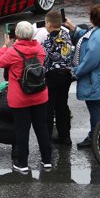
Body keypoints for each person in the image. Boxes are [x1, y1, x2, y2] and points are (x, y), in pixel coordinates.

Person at [0, 21, 52, 173]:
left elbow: (0, 62)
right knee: (42, 129)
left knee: (22, 130)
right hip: (39, 95)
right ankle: (47, 160)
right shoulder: (39, 49)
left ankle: (22, 163)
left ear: (17, 35)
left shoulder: (13, 52)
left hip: (20, 98)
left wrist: (4, 46)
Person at [65, 5, 100, 149]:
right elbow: (87, 35)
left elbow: (90, 61)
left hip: (94, 78)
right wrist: (73, 27)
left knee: (94, 106)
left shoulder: (97, 36)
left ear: (92, 19)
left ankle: (94, 135)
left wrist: (77, 71)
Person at [40, 9, 75, 146]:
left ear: (48, 24)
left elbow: (44, 59)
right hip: (66, 75)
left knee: (49, 107)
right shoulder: (66, 36)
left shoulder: (48, 41)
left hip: (52, 76)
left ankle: (47, 136)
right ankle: (65, 136)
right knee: (62, 105)